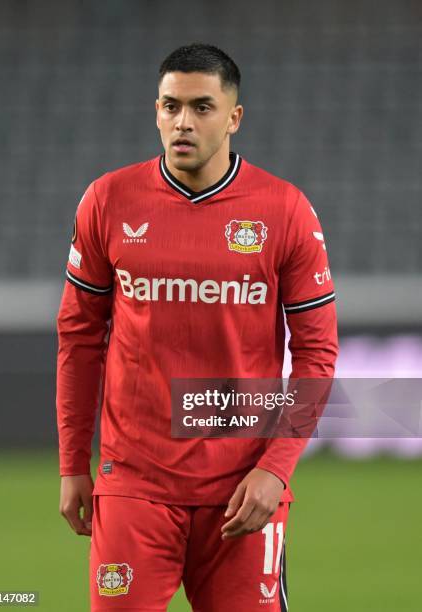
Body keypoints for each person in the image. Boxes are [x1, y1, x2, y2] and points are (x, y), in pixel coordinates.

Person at [56, 43, 338, 612]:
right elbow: (79, 339)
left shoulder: (284, 211)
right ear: (156, 110)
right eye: (170, 106)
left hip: (242, 488)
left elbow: (316, 355)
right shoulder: (107, 201)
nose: (183, 121)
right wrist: (71, 464)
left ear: (234, 117)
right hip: (134, 482)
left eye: (202, 107)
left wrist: (275, 470)